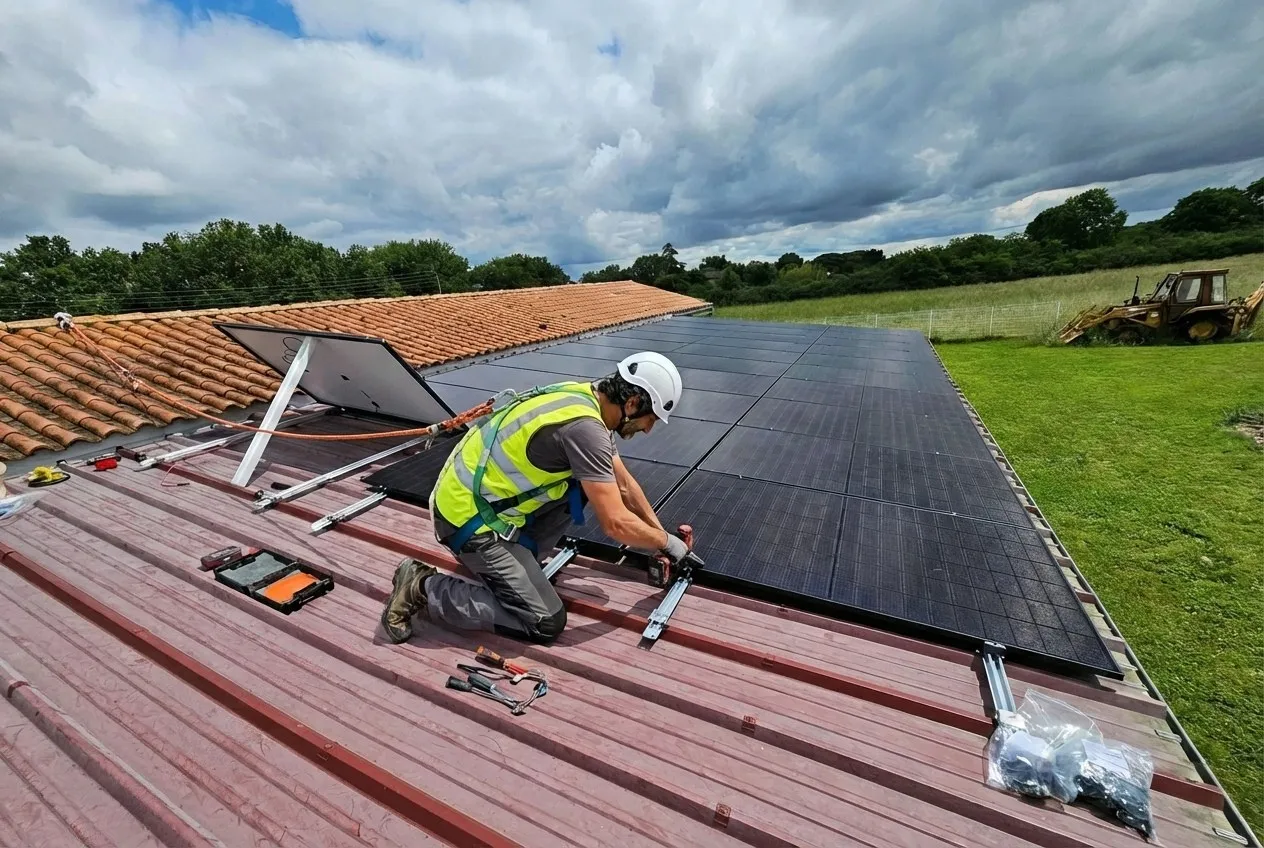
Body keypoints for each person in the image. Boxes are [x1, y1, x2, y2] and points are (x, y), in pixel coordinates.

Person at [380, 351, 694, 644]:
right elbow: (615, 524)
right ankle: (422, 586)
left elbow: (623, 485)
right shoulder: (585, 430)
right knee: (543, 621)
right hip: (468, 522)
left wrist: (662, 538)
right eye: (651, 419)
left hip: (478, 502)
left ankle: (518, 569)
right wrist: (664, 542)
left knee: (588, 483)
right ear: (633, 403)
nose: (648, 429)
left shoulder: (585, 398)